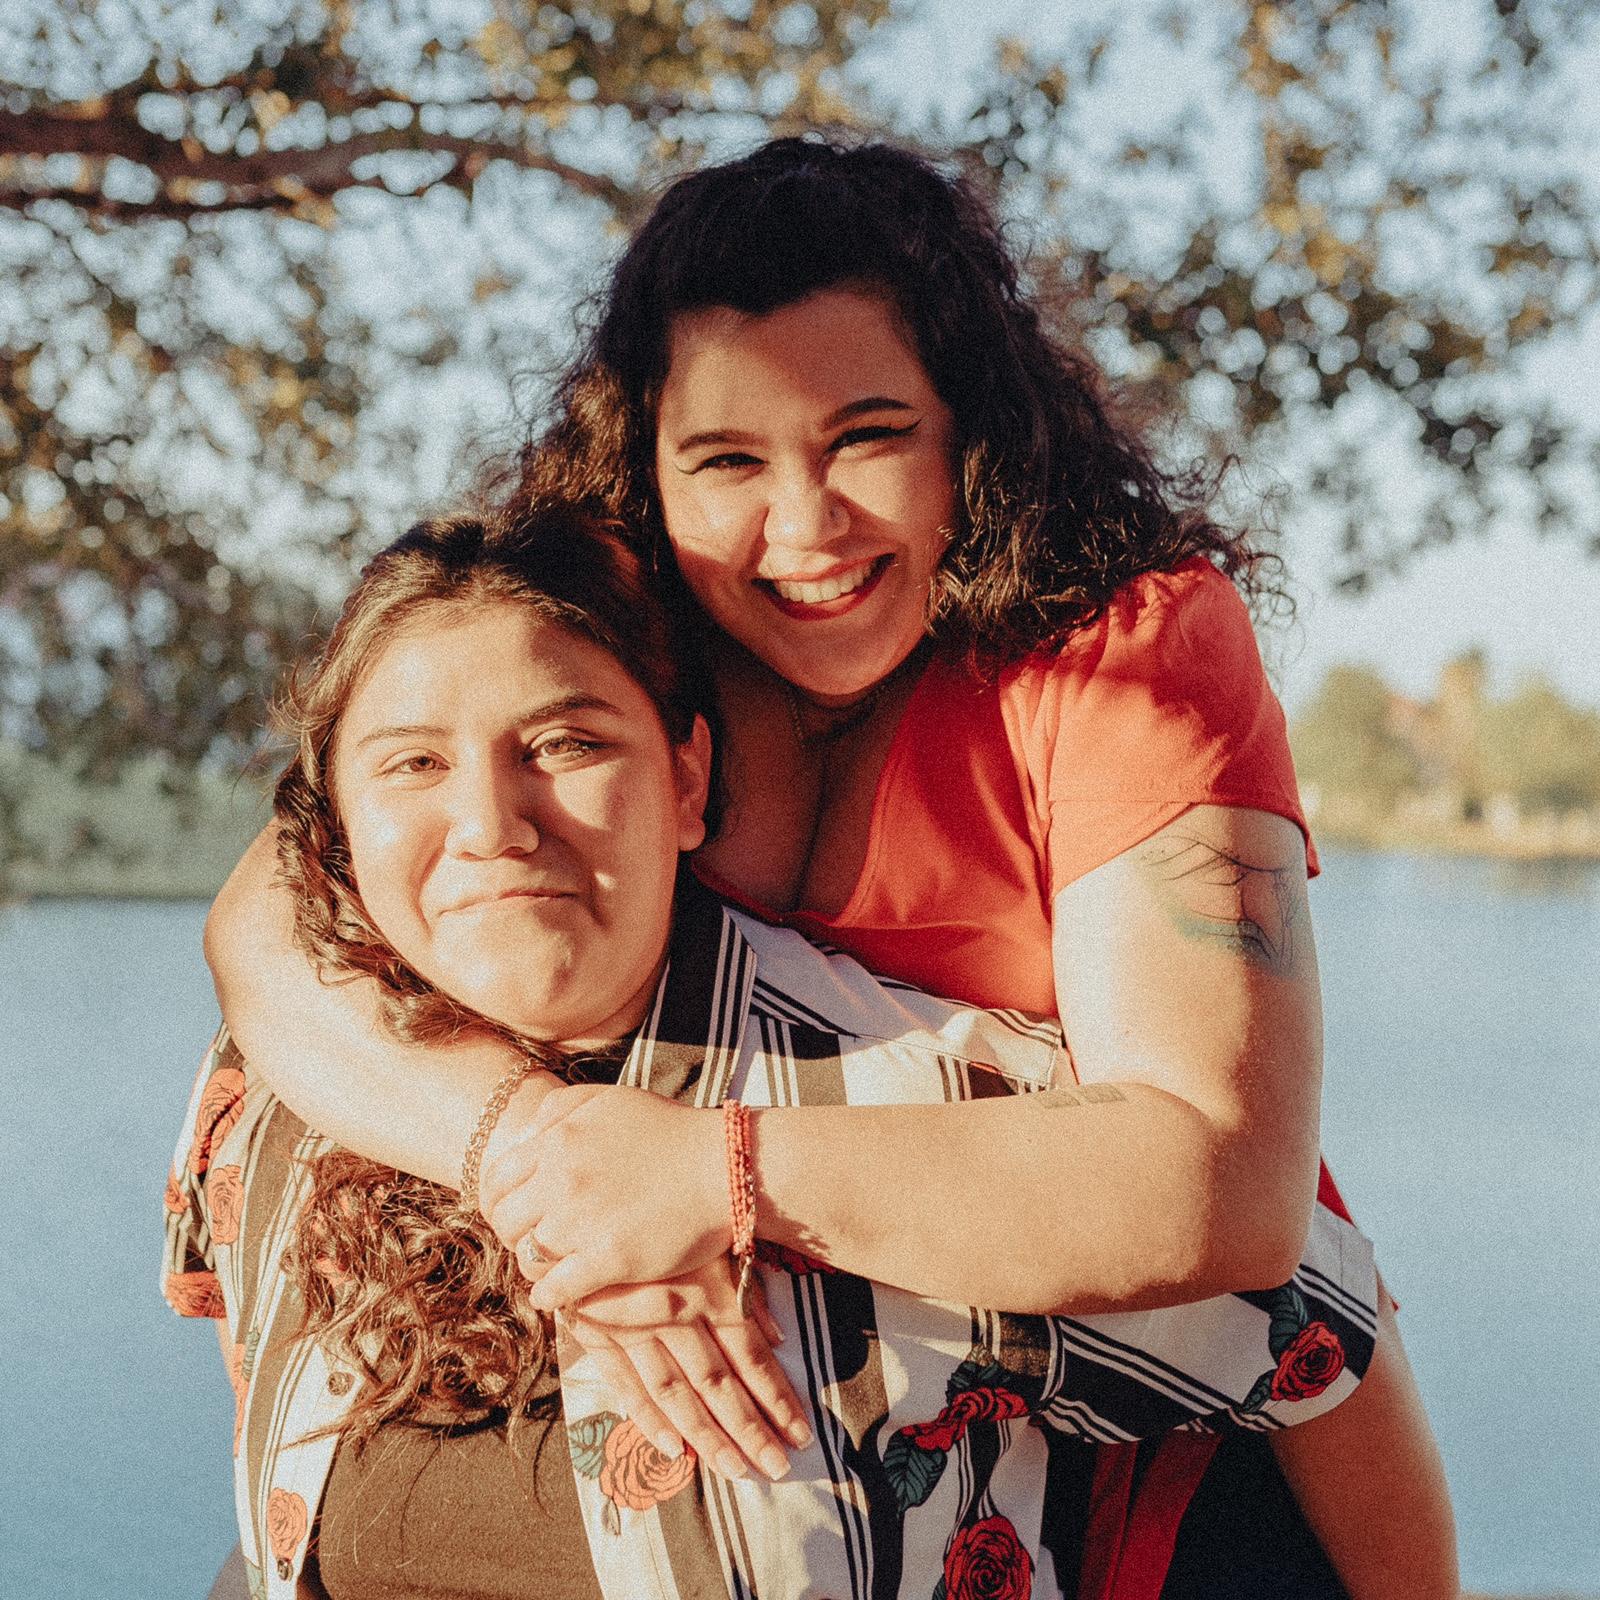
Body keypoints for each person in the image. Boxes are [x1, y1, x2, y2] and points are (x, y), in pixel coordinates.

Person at [205, 138, 1457, 1596]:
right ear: (650, 466)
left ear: (967, 432)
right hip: (796, 1394)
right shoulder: (625, 621)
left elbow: (1224, 1188)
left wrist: (710, 1175)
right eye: (728, 461)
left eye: (865, 438)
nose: (802, 529)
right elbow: (272, 922)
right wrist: (543, 1166)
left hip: (1170, 1412)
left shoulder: (1121, 652)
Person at [173, 509, 1383, 1600]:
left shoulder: (900, 1085)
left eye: (565, 744)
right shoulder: (279, 1097)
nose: (491, 824)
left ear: (686, 780)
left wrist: (747, 1187)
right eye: (413, 763)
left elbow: (1314, 1332)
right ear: (336, 824)